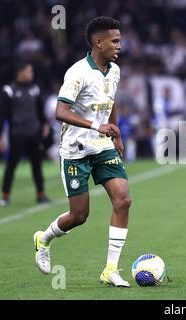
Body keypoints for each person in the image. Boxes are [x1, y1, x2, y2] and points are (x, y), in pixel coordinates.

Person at [33, 17, 132, 287]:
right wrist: (95, 125)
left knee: (122, 200)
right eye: (115, 41)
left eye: (119, 41)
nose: (119, 46)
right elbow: (60, 112)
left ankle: (110, 269)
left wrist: (116, 131)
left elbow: (111, 100)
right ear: (98, 42)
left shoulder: (114, 70)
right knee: (79, 216)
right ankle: (44, 238)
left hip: (101, 147)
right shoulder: (77, 73)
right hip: (76, 150)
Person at [0, 61, 51, 206]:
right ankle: (5, 195)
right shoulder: (9, 90)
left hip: (34, 133)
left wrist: (44, 124)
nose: (31, 74)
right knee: (11, 165)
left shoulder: (35, 89)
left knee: (37, 165)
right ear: (20, 72)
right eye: (28, 71)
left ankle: (41, 194)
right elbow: (1, 115)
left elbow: (40, 111)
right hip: (17, 134)